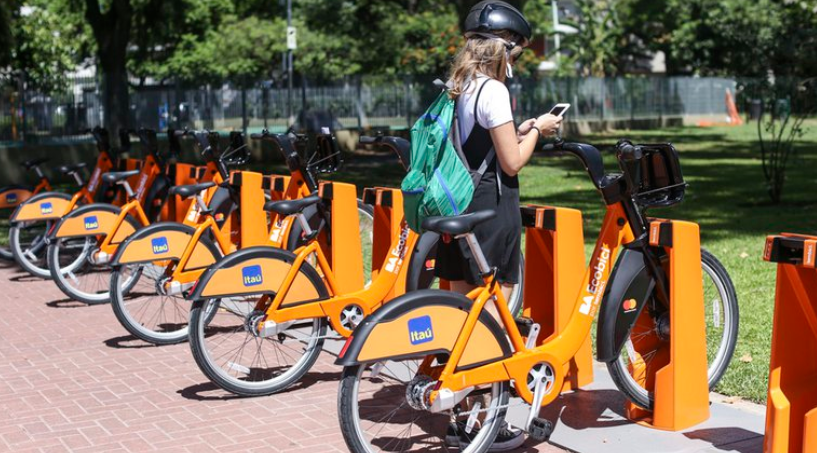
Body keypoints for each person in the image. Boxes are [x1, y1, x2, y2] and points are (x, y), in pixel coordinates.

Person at [436, 1, 563, 450]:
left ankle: (461, 414)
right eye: (518, 52)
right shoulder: (492, 90)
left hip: (458, 202)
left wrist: (519, 125)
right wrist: (538, 130)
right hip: (491, 205)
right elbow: (511, 160)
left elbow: (479, 141)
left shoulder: (459, 86)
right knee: (492, 315)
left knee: (459, 315)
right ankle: (486, 420)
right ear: (503, 49)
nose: (518, 61)